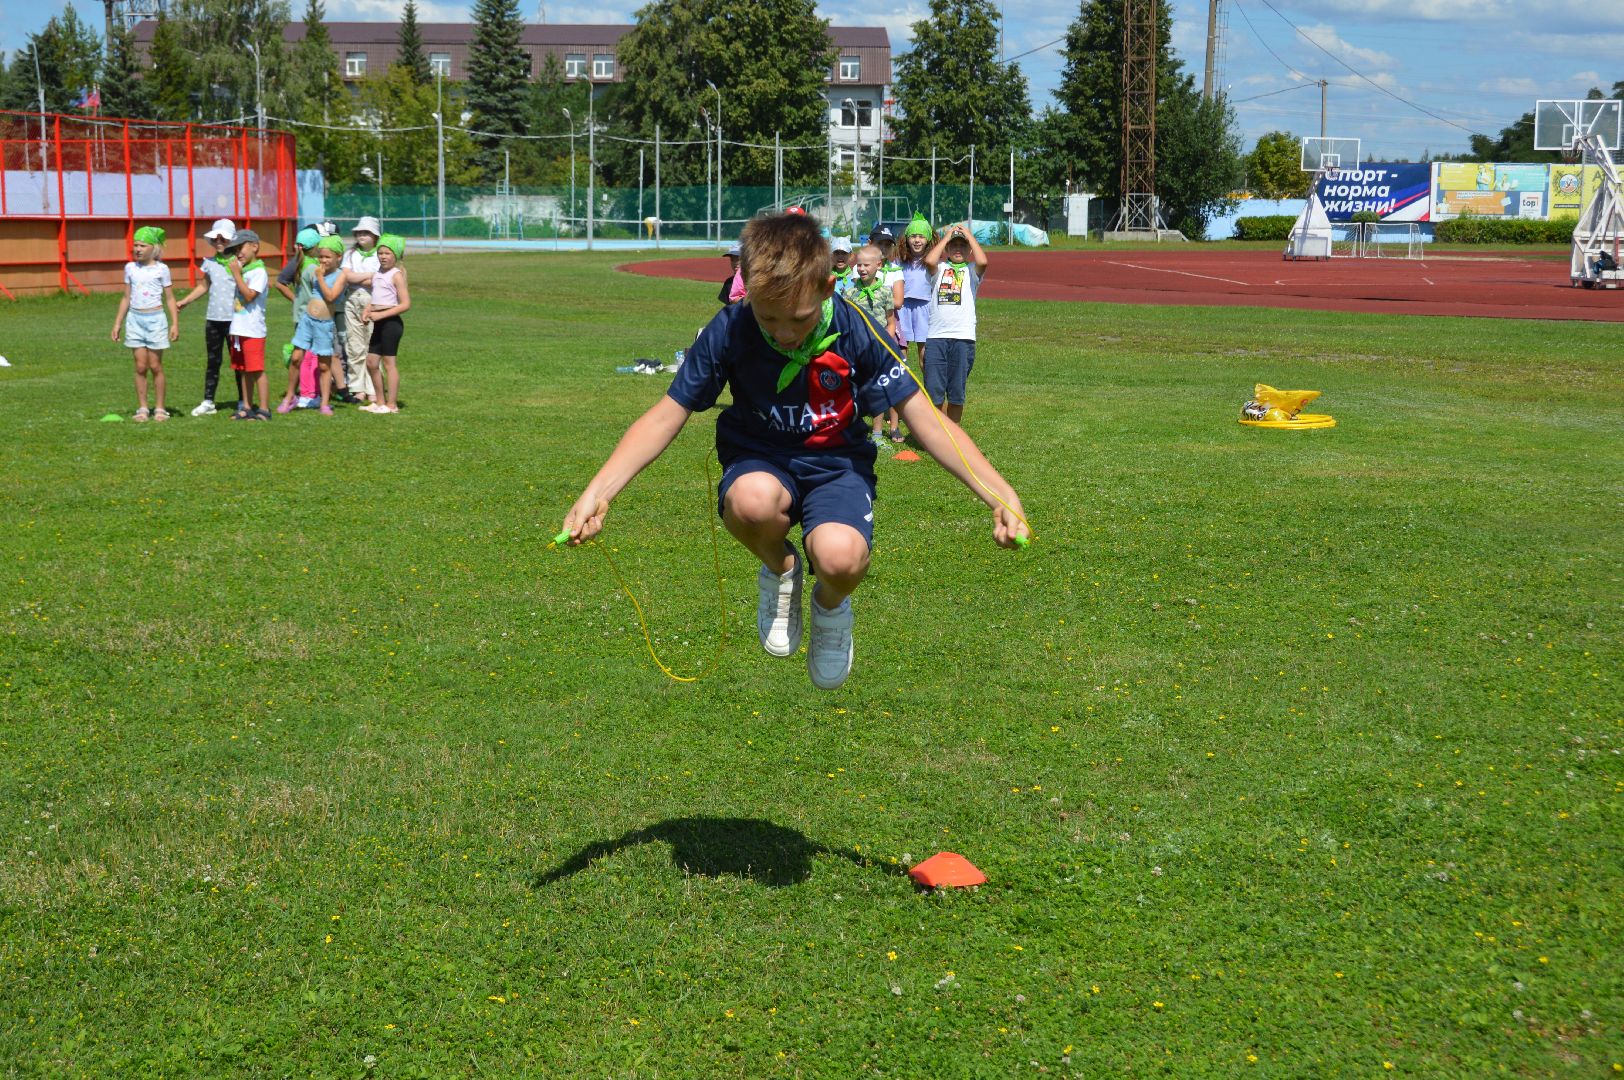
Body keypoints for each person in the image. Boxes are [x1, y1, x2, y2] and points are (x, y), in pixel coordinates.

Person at [560, 213, 1028, 690]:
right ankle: (780, 569)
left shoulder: (857, 328)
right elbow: (666, 414)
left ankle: (829, 605)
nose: (784, 333)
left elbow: (925, 419)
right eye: (770, 318)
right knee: (751, 501)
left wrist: (1000, 496)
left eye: (799, 320)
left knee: (841, 559)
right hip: (760, 459)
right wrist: (599, 492)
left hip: (837, 468)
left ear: (827, 288)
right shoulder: (731, 327)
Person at [110, 225, 179, 422]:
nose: (138, 249)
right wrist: (117, 324)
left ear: (153, 248)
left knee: (155, 366)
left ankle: (160, 408)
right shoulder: (130, 268)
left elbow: (170, 299)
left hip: (156, 320)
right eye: (135, 245)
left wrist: (174, 324)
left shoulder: (161, 269)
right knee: (140, 366)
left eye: (142, 245)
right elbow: (125, 298)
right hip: (135, 320)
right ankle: (142, 408)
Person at [922, 221, 989, 425]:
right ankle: (937, 434)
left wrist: (968, 235)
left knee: (956, 393)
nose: (958, 249)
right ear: (947, 249)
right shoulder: (939, 269)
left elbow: (983, 261)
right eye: (954, 246)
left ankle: (954, 434)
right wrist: (948, 235)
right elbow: (929, 260)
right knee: (934, 392)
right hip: (936, 337)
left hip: (963, 338)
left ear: (969, 249)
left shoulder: (971, 271)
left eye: (963, 246)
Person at [174, 217, 237, 416]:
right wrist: (185, 301)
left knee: (238, 362)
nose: (219, 242)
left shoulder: (238, 262)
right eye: (215, 238)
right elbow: (204, 285)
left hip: (235, 321)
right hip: (213, 320)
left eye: (223, 238)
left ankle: (244, 400)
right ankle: (209, 401)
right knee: (213, 361)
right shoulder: (209, 263)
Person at [845, 245, 905, 448]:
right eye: (859, 265)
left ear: (878, 265)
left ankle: (878, 433)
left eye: (866, 265)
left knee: (877, 388)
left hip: (878, 348)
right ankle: (854, 430)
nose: (861, 269)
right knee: (855, 389)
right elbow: (847, 322)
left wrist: (885, 344)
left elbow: (891, 322)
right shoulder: (851, 292)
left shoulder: (885, 292)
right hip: (856, 349)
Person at [221, 230, 271, 421]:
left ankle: (264, 409)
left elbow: (250, 296)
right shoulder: (245, 271)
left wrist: (236, 274)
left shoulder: (259, 272)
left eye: (240, 248)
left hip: (253, 330)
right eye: (234, 250)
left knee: (256, 370)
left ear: (254, 246)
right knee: (243, 370)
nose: (238, 254)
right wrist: (238, 273)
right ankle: (247, 406)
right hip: (239, 328)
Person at [357, 234, 410, 414]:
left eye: (387, 253)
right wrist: (368, 309)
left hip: (391, 324)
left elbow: (405, 304)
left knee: (389, 364)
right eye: (380, 253)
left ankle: (391, 405)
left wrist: (381, 315)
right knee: (371, 363)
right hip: (378, 322)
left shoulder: (396, 275)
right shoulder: (378, 273)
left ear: (395, 255)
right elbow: (377, 297)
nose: (383, 256)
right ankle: (379, 402)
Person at [273, 225, 323, 413]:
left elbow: (281, 284)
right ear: (315, 247)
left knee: (301, 356)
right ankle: (309, 394)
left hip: (300, 316)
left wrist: (296, 302)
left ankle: (304, 393)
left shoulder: (298, 264)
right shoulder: (312, 267)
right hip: (314, 316)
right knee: (311, 357)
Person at [297, 236, 349, 416]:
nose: (323, 261)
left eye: (327, 257)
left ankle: (324, 402)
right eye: (321, 257)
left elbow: (330, 297)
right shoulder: (316, 272)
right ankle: (292, 396)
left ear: (339, 257)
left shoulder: (339, 275)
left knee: (324, 364)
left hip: (325, 324)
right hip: (308, 321)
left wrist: (319, 277)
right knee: (298, 358)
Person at [336, 217, 381, 404]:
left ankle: (373, 388)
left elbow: (378, 280)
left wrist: (359, 277)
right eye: (359, 232)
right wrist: (368, 276)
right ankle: (357, 387)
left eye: (366, 232)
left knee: (372, 344)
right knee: (354, 346)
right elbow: (346, 276)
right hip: (352, 300)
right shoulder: (350, 254)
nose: (361, 235)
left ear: (375, 236)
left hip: (374, 301)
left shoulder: (381, 254)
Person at [897, 215, 933, 372]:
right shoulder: (899, 261)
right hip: (902, 308)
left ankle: (929, 390)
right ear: (907, 239)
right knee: (900, 349)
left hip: (924, 308)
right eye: (913, 236)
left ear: (928, 240)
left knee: (925, 355)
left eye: (921, 236)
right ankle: (901, 389)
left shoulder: (932, 262)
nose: (917, 240)